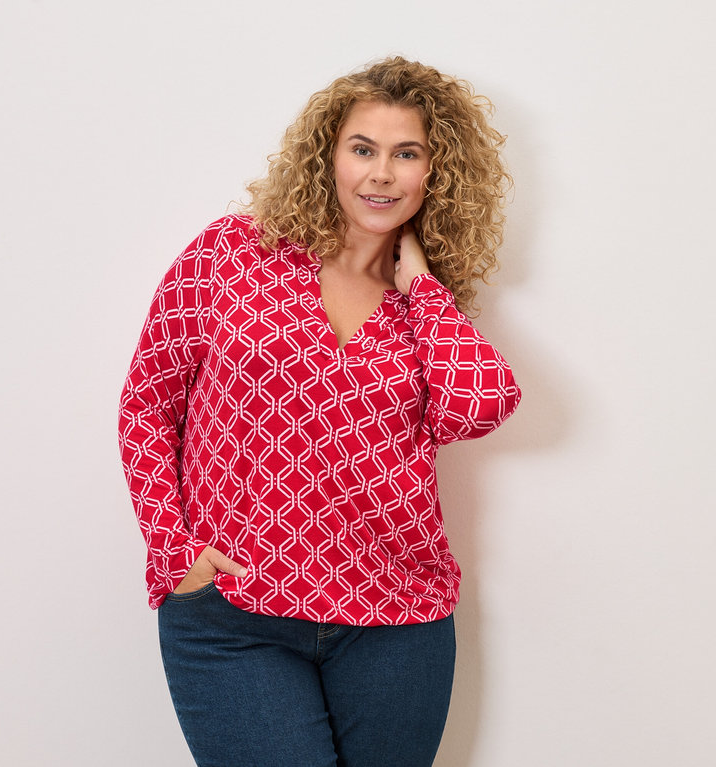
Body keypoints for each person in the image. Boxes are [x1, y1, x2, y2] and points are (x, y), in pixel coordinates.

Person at [118, 56, 521, 767]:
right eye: (363, 149)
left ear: (437, 172)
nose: (381, 174)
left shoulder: (425, 310)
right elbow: (148, 402)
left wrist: (422, 286)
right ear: (328, 155)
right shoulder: (232, 254)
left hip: (396, 617)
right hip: (235, 613)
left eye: (407, 154)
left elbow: (479, 403)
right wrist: (173, 553)